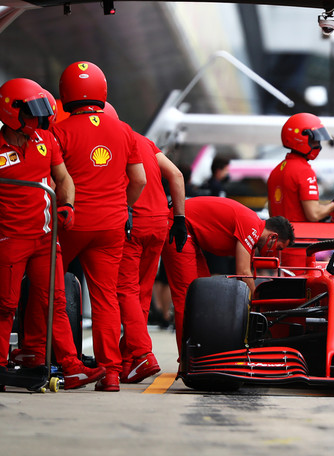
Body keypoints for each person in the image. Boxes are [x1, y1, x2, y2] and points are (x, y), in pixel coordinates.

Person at [0, 78, 106, 390]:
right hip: (10, 239)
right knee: (5, 305)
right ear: (11, 112)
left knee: (56, 303)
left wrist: (68, 205)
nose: (36, 123)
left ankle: (72, 367)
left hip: (46, 239)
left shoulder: (46, 140)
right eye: (31, 116)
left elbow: (63, 178)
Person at [50, 61, 147, 392]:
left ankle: (66, 363)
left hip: (71, 223)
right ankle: (110, 373)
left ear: (65, 94)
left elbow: (54, 182)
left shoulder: (59, 132)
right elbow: (140, 179)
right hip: (112, 224)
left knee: (52, 289)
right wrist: (123, 205)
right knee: (105, 297)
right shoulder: (124, 130)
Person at [161, 196, 294, 353]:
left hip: (189, 232)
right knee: (188, 296)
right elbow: (243, 273)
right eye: (278, 248)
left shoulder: (252, 228)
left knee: (203, 297)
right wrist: (259, 305)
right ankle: (187, 359)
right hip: (179, 226)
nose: (274, 253)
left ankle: (202, 353)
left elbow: (245, 278)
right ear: (273, 237)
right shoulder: (252, 226)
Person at [116, 130, 187, 384]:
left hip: (132, 223)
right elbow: (176, 175)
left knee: (124, 291)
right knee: (141, 293)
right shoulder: (144, 141)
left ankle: (143, 354)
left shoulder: (112, 140)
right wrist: (179, 218)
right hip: (160, 223)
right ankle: (129, 362)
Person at [267, 112, 334, 267]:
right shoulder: (304, 171)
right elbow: (313, 214)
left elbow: (272, 213)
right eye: (314, 140)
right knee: (301, 290)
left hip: (279, 247)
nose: (318, 145)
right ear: (301, 138)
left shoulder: (276, 171)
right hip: (300, 247)